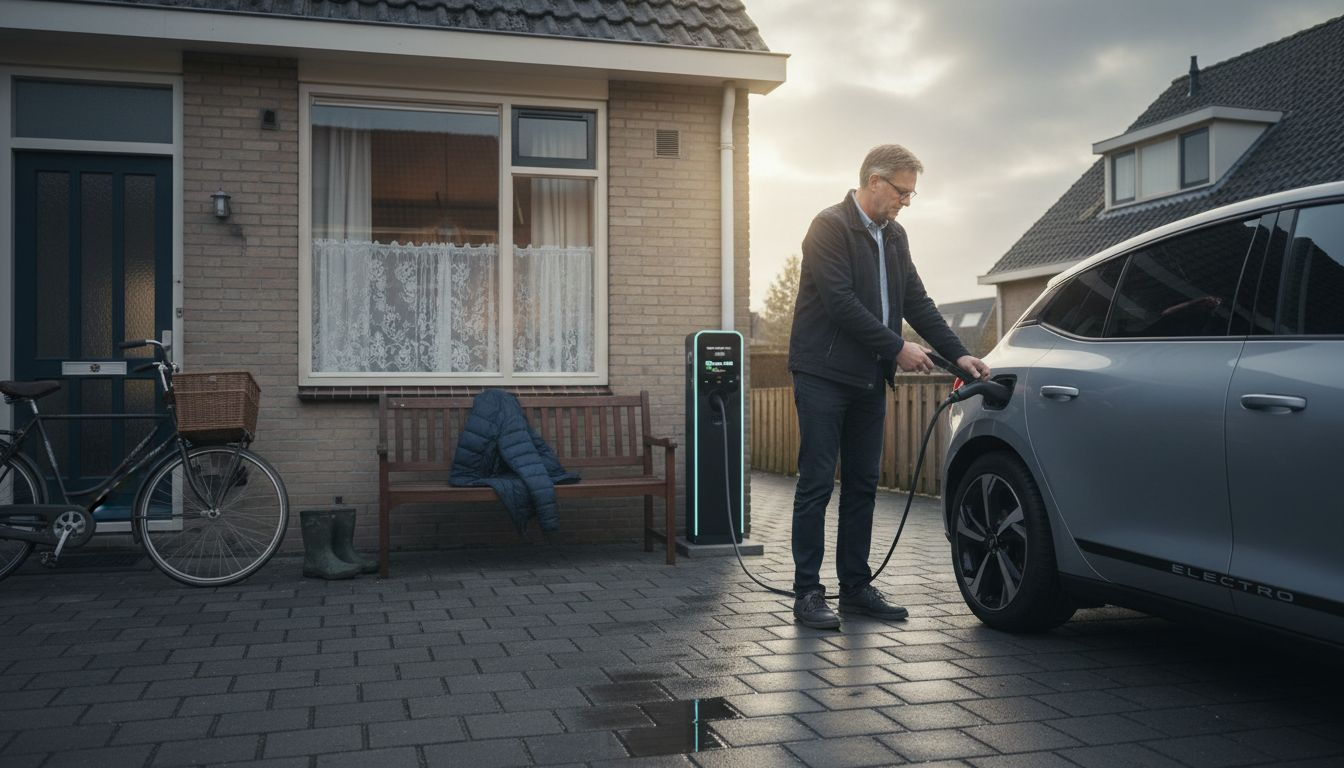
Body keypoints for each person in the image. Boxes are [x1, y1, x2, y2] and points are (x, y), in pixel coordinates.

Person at [787, 144, 991, 630]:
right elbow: (840, 303)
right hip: (822, 374)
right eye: (902, 191)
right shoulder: (829, 226)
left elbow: (916, 301)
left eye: (910, 194)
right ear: (874, 181)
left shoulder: (895, 236)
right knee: (817, 483)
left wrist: (959, 352)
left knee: (863, 485)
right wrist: (898, 347)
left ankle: (855, 588)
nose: (905, 202)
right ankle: (808, 592)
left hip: (867, 377)